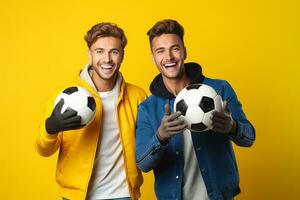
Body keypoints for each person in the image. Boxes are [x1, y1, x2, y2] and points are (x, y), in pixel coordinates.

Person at [135, 19, 255, 200]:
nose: (169, 57)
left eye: (175, 48)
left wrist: (233, 127)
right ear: (153, 57)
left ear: (184, 51)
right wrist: (160, 137)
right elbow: (143, 164)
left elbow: (249, 138)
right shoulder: (148, 108)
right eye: (160, 51)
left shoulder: (220, 89)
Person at [36, 22, 147, 200]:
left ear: (122, 55)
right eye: (99, 51)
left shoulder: (137, 95)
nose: (107, 59)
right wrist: (50, 128)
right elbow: (43, 150)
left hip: (123, 194)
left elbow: (147, 144)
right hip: (77, 196)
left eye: (114, 52)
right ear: (89, 54)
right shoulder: (65, 97)